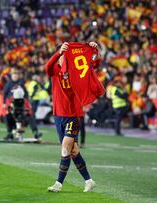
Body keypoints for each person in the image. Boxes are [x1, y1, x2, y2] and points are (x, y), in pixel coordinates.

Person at [45, 41, 99, 192]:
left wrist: (95, 50)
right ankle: (89, 181)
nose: (63, 58)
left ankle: (58, 183)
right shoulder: (55, 71)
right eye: (62, 56)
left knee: (65, 149)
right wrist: (58, 53)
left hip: (74, 115)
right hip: (58, 115)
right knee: (73, 151)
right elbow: (47, 66)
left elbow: (93, 64)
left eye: (65, 55)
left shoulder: (76, 71)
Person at [3, 70, 42, 139]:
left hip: (22, 115)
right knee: (6, 116)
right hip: (13, 114)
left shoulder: (24, 99)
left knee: (30, 117)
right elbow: (5, 96)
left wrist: (26, 112)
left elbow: (29, 111)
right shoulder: (9, 93)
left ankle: (35, 132)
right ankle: (10, 133)